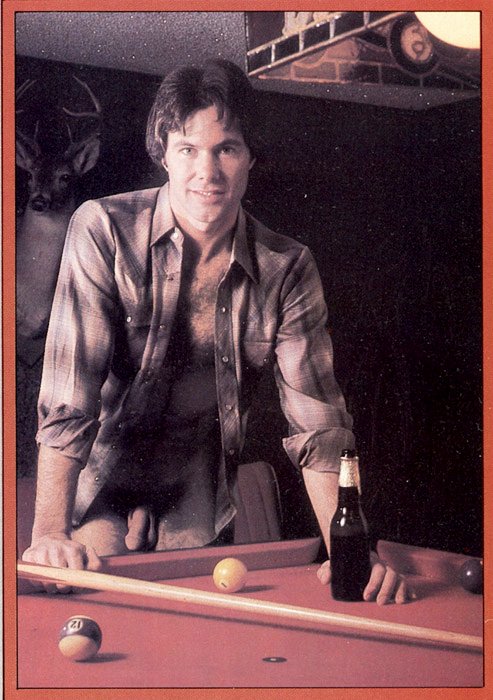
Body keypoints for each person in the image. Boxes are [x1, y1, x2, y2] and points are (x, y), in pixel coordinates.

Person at [22, 59, 409, 604]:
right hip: (99, 494)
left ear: (251, 156)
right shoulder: (103, 229)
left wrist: (351, 552)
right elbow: (69, 398)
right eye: (188, 149)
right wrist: (49, 535)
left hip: (199, 509)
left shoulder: (287, 269)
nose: (207, 172)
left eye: (226, 148)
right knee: (87, 613)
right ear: (163, 153)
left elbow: (320, 430)